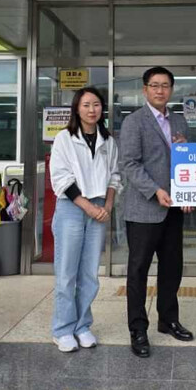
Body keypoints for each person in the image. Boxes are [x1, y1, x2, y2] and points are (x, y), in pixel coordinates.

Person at [119, 66, 193, 358]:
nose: (160, 90)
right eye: (154, 85)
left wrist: (185, 151)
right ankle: (138, 328)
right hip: (144, 208)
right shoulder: (134, 121)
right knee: (138, 270)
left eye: (165, 85)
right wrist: (155, 190)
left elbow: (186, 162)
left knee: (172, 266)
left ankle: (168, 319)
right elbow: (129, 163)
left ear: (171, 90)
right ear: (145, 89)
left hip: (173, 208)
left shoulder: (180, 121)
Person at [49, 87, 120, 353]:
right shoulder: (64, 139)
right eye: (86, 105)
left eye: (97, 104)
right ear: (77, 109)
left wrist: (107, 205)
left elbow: (115, 176)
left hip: (99, 208)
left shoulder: (108, 141)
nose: (92, 110)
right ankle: (62, 329)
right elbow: (61, 179)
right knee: (66, 272)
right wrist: (88, 207)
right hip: (72, 207)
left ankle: (82, 326)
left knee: (89, 273)